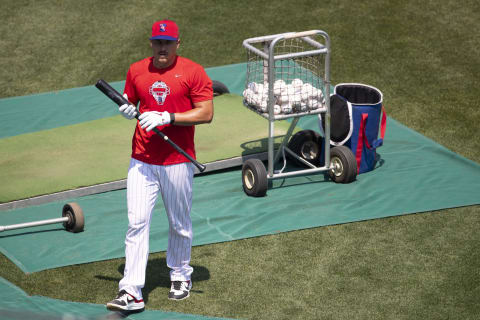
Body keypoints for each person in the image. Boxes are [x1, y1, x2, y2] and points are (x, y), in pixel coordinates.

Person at [106, 19, 214, 312]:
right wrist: (127, 109)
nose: (162, 47)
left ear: (178, 44)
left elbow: (206, 113)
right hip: (141, 159)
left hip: (177, 161)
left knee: (179, 223)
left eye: (168, 42)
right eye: (158, 42)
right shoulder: (137, 70)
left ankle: (180, 273)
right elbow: (130, 100)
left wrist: (169, 117)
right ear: (151, 43)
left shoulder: (193, 72)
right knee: (136, 222)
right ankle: (131, 291)